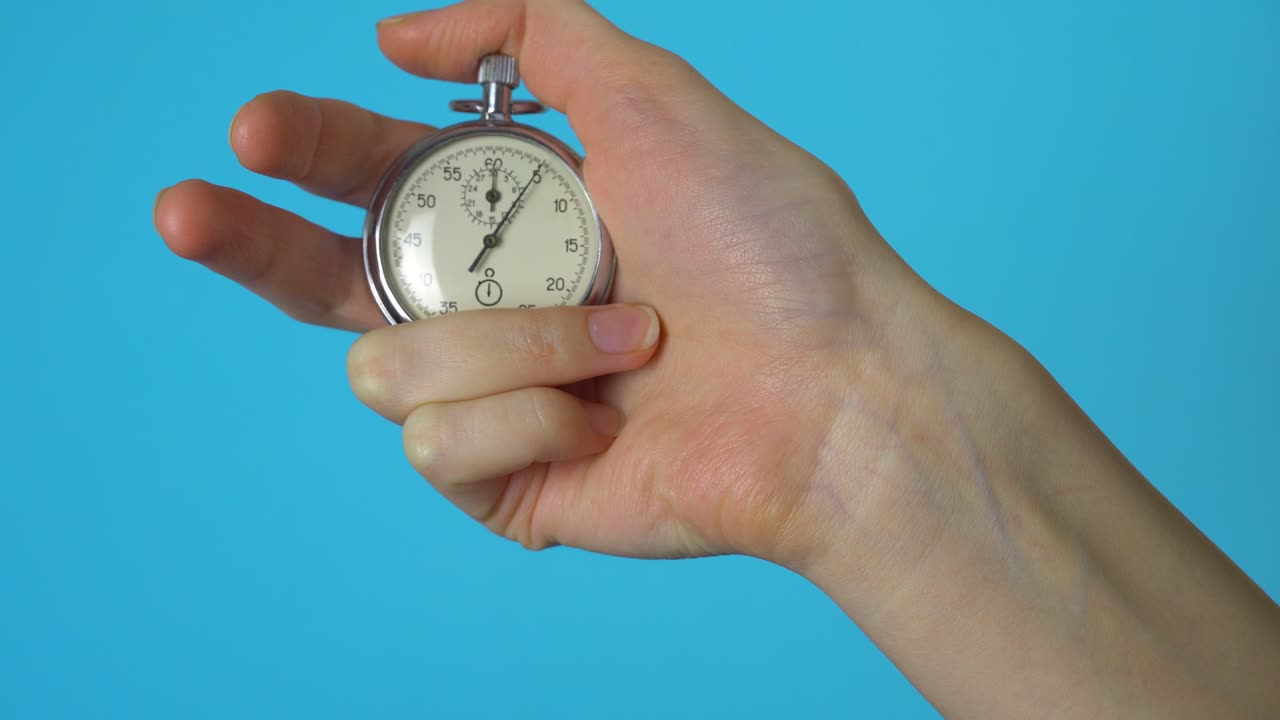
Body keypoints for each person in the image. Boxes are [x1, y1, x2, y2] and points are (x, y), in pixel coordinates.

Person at [152, 1, 1280, 716]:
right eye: (475, 215)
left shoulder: (572, 191)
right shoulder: (482, 185)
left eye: (506, 213)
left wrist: (845, 414)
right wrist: (847, 465)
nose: (490, 228)